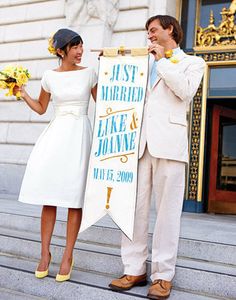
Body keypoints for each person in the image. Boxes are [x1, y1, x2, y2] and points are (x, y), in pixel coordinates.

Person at [109, 15, 205, 299]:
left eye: (153, 30)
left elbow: (185, 92)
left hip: (170, 146)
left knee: (167, 215)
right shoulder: (143, 62)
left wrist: (162, 61)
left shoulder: (193, 63)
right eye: (147, 31)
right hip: (138, 146)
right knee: (133, 211)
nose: (149, 35)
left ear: (170, 30)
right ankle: (134, 268)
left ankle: (163, 276)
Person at [13, 28, 97, 282]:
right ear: (61, 51)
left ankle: (68, 255)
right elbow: (41, 108)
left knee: (74, 198)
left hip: (80, 135)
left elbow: (104, 105)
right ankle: (44, 254)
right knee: (48, 197)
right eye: (75, 47)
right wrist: (23, 93)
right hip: (56, 135)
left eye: (81, 45)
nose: (80, 51)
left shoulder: (90, 74)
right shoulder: (49, 76)